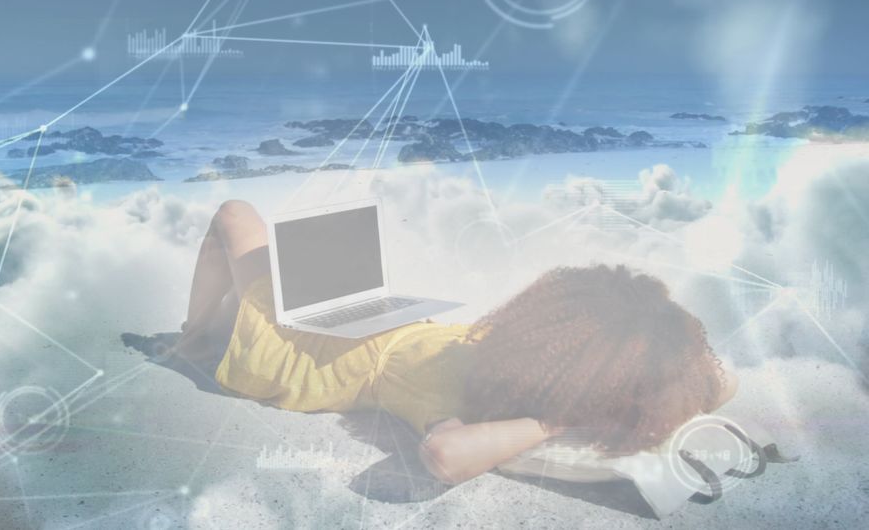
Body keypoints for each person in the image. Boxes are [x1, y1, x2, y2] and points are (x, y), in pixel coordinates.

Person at [167, 200, 739, 485]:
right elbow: (721, 380)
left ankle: (193, 341)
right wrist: (674, 379)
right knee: (263, 232)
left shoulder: (458, 396)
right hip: (366, 319)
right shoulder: (517, 358)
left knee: (233, 214)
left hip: (295, 352)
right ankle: (200, 331)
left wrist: (559, 422)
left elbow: (446, 455)